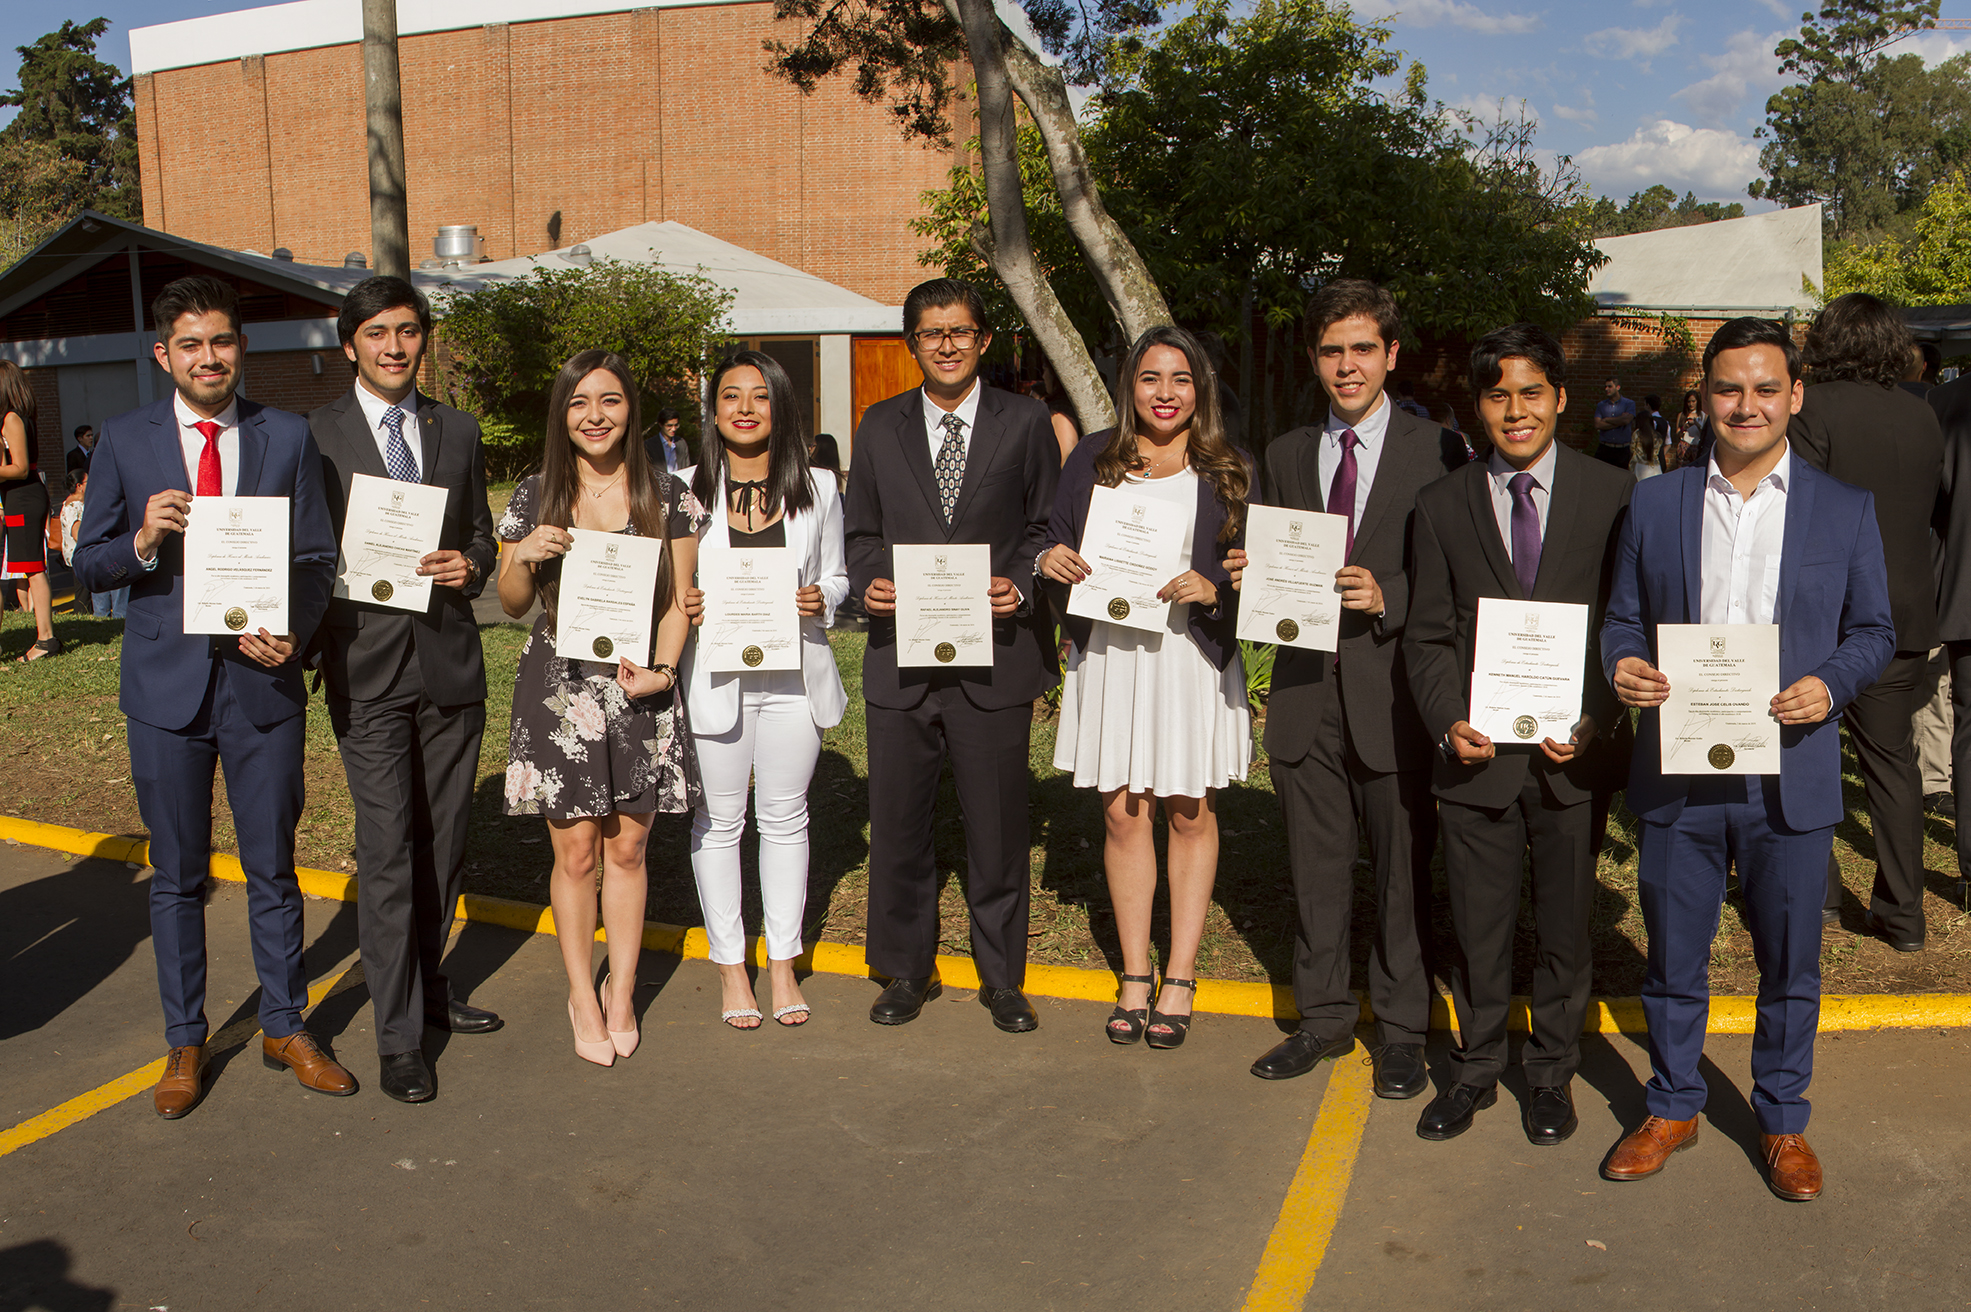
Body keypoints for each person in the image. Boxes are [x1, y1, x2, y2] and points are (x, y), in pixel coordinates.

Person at [1600, 315, 1894, 1202]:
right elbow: (1619, 617)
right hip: (1680, 772)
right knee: (1672, 957)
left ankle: (1781, 1120)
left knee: (1789, 964)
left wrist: (1831, 683)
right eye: (1729, 388)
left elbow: (1874, 630)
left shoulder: (1843, 509)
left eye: (1766, 388)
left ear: (1794, 395)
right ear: (1704, 396)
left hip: (1788, 769)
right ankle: (1672, 1104)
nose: (1746, 405)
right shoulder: (1653, 503)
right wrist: (1622, 664)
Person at [73, 275, 350, 1117]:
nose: (209, 357)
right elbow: (87, 571)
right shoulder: (124, 441)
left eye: (222, 341)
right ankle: (184, 1041)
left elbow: (314, 558)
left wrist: (295, 630)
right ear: (164, 354)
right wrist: (144, 539)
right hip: (166, 691)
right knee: (178, 875)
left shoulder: (288, 436)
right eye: (190, 344)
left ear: (240, 350)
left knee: (273, 866)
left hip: (261, 687)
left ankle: (284, 1023)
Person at [1223, 278, 1468, 1092]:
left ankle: (1402, 1029)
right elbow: (1269, 562)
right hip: (1302, 695)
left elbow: (1463, 574)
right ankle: (1323, 1017)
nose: (1347, 366)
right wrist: (1245, 571)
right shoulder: (1287, 453)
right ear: (1313, 359)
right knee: (1315, 870)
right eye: (1331, 351)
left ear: (1391, 355)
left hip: (1396, 693)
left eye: (1362, 348)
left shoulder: (1439, 449)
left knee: (1402, 871)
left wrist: (1389, 594)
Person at [1402, 324, 1632, 1144]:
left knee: (1566, 926)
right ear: (1477, 406)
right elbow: (1426, 636)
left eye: (1530, 391)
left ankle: (1549, 1074)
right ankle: (1471, 1070)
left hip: (1571, 757)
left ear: (1560, 398)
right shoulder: (1439, 506)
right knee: (1476, 924)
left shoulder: (1614, 496)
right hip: (1476, 759)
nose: (1514, 410)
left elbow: (1622, 626)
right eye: (1497, 395)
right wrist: (1443, 719)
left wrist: (1596, 718)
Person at [843, 277, 1060, 1033]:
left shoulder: (1026, 423)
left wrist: (1023, 585)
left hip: (993, 657)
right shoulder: (876, 427)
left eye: (959, 332)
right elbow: (861, 536)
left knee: (996, 828)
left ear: (983, 341)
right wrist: (870, 584)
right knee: (898, 825)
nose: (945, 345)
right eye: (931, 333)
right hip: (900, 658)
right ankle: (905, 970)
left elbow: (1044, 528)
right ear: (911, 343)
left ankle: (1001, 978)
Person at [307, 276, 504, 1104]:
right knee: (387, 852)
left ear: (426, 339)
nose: (395, 346)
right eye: (378, 332)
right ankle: (398, 1038)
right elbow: (301, 551)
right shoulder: (311, 436)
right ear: (348, 341)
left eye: (409, 331)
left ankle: (431, 988)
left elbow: (482, 535)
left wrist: (475, 563)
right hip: (365, 669)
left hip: (449, 664)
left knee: (445, 841)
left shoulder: (455, 430)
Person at [1040, 325, 1251, 1049]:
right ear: (1130, 387)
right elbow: (1048, 534)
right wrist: (1050, 559)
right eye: (1150, 379)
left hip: (1186, 657)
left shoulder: (1229, 470)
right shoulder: (1093, 462)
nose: (1165, 394)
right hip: (1112, 655)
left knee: (1188, 811)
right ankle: (1135, 974)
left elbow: (1263, 575)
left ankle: (1181, 974)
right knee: (1124, 813)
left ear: (1201, 390)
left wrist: (1216, 582)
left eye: (1180, 379)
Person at [497, 350, 703, 1066]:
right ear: (562, 414)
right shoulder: (534, 494)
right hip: (560, 687)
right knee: (577, 849)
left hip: (637, 684)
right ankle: (582, 993)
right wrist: (522, 554)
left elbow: (682, 601)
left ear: (629, 409)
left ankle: (623, 991)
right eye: (580, 402)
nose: (595, 416)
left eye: (609, 401)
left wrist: (664, 671)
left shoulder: (668, 494)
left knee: (629, 845)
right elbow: (514, 604)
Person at [679, 351, 848, 1028]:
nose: (745, 408)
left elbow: (838, 575)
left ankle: (781, 963)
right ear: (713, 411)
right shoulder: (681, 488)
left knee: (785, 818)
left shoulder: (820, 486)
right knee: (719, 823)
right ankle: (730, 970)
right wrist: (681, 601)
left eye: (760, 396)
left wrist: (821, 597)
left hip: (792, 679)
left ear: (780, 409)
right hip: (715, 676)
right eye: (730, 396)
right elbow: (666, 579)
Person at [1789, 293, 1944, 949]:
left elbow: (1795, 516)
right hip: (1906, 609)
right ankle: (1903, 915)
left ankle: (1818, 897)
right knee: (1892, 765)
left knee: (1805, 754)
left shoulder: (1811, 410)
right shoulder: (1922, 414)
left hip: (1826, 615)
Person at [0, 361, 58, 660]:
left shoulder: (12, 418)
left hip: (23, 496)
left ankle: (46, 640)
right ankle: (45, 638)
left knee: (32, 567)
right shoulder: (18, 417)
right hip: (18, 497)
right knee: (27, 567)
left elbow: (20, 468)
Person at [1039, 360, 1082, 465]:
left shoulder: (1061, 411)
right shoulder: (1068, 405)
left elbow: (1067, 455)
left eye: (1045, 370)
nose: (1043, 376)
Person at [1592, 376, 1636, 469]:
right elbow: (1597, 424)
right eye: (1605, 387)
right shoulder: (1601, 405)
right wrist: (1620, 420)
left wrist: (1607, 419)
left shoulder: (1629, 404)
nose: (1606, 389)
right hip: (1605, 448)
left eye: (1609, 386)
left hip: (1622, 449)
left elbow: (1627, 420)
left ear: (1618, 387)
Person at [646, 407, 691, 474]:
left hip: (679, 482)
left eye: (676, 425)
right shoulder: (649, 445)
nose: (673, 429)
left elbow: (687, 468)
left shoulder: (681, 443)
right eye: (669, 426)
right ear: (661, 424)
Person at [1630, 400, 1663, 481]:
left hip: (1641, 467)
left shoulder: (1637, 434)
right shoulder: (1657, 436)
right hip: (1655, 467)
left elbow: (1632, 449)